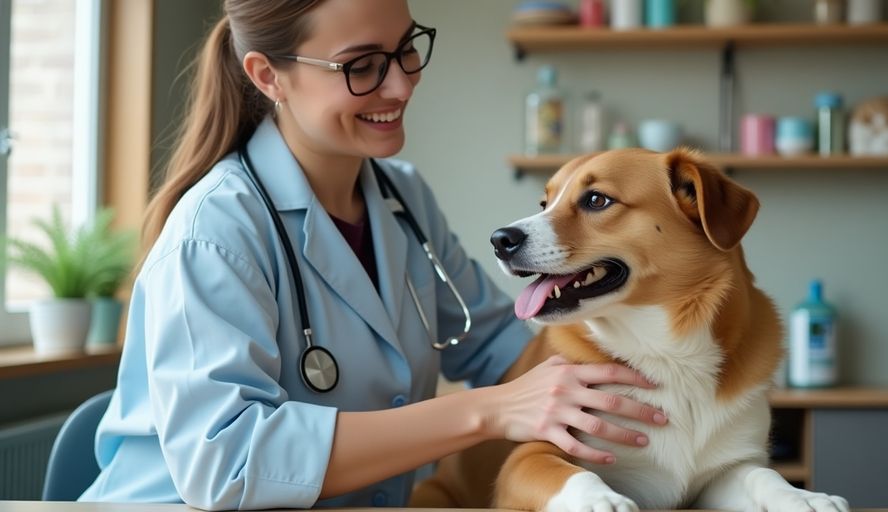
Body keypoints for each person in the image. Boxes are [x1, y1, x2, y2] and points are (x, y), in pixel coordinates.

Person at [79, 0, 667, 509]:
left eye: (406, 49)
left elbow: (499, 346)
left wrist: (665, 380)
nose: (402, 85)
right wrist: (485, 413)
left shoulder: (401, 195)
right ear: (267, 76)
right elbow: (226, 462)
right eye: (362, 66)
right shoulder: (215, 233)